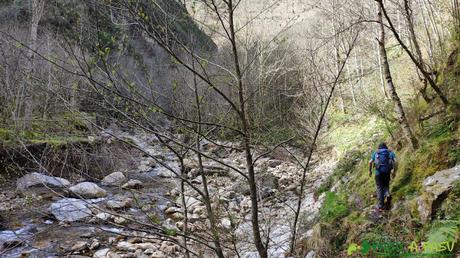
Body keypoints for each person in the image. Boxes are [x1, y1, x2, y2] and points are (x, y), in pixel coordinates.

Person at [369, 142, 397, 211]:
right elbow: (396, 162)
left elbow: (370, 162)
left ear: (379, 147)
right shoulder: (390, 152)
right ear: (386, 147)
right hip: (387, 172)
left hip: (378, 173)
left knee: (379, 188)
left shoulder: (376, 153)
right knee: (386, 185)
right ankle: (387, 194)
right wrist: (394, 171)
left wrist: (370, 171)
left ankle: (381, 206)